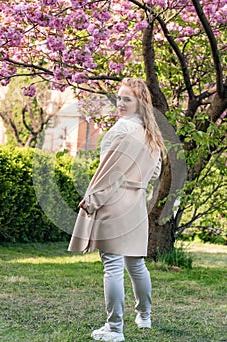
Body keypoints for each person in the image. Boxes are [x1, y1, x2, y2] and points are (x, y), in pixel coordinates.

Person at [68, 78, 165, 342]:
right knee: (135, 263)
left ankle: (114, 329)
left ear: (139, 103)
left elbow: (111, 176)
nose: (120, 104)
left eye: (127, 99)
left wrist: (93, 201)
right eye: (119, 98)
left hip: (113, 201)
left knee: (112, 265)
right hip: (136, 204)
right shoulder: (151, 134)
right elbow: (154, 173)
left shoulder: (120, 130)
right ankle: (144, 317)